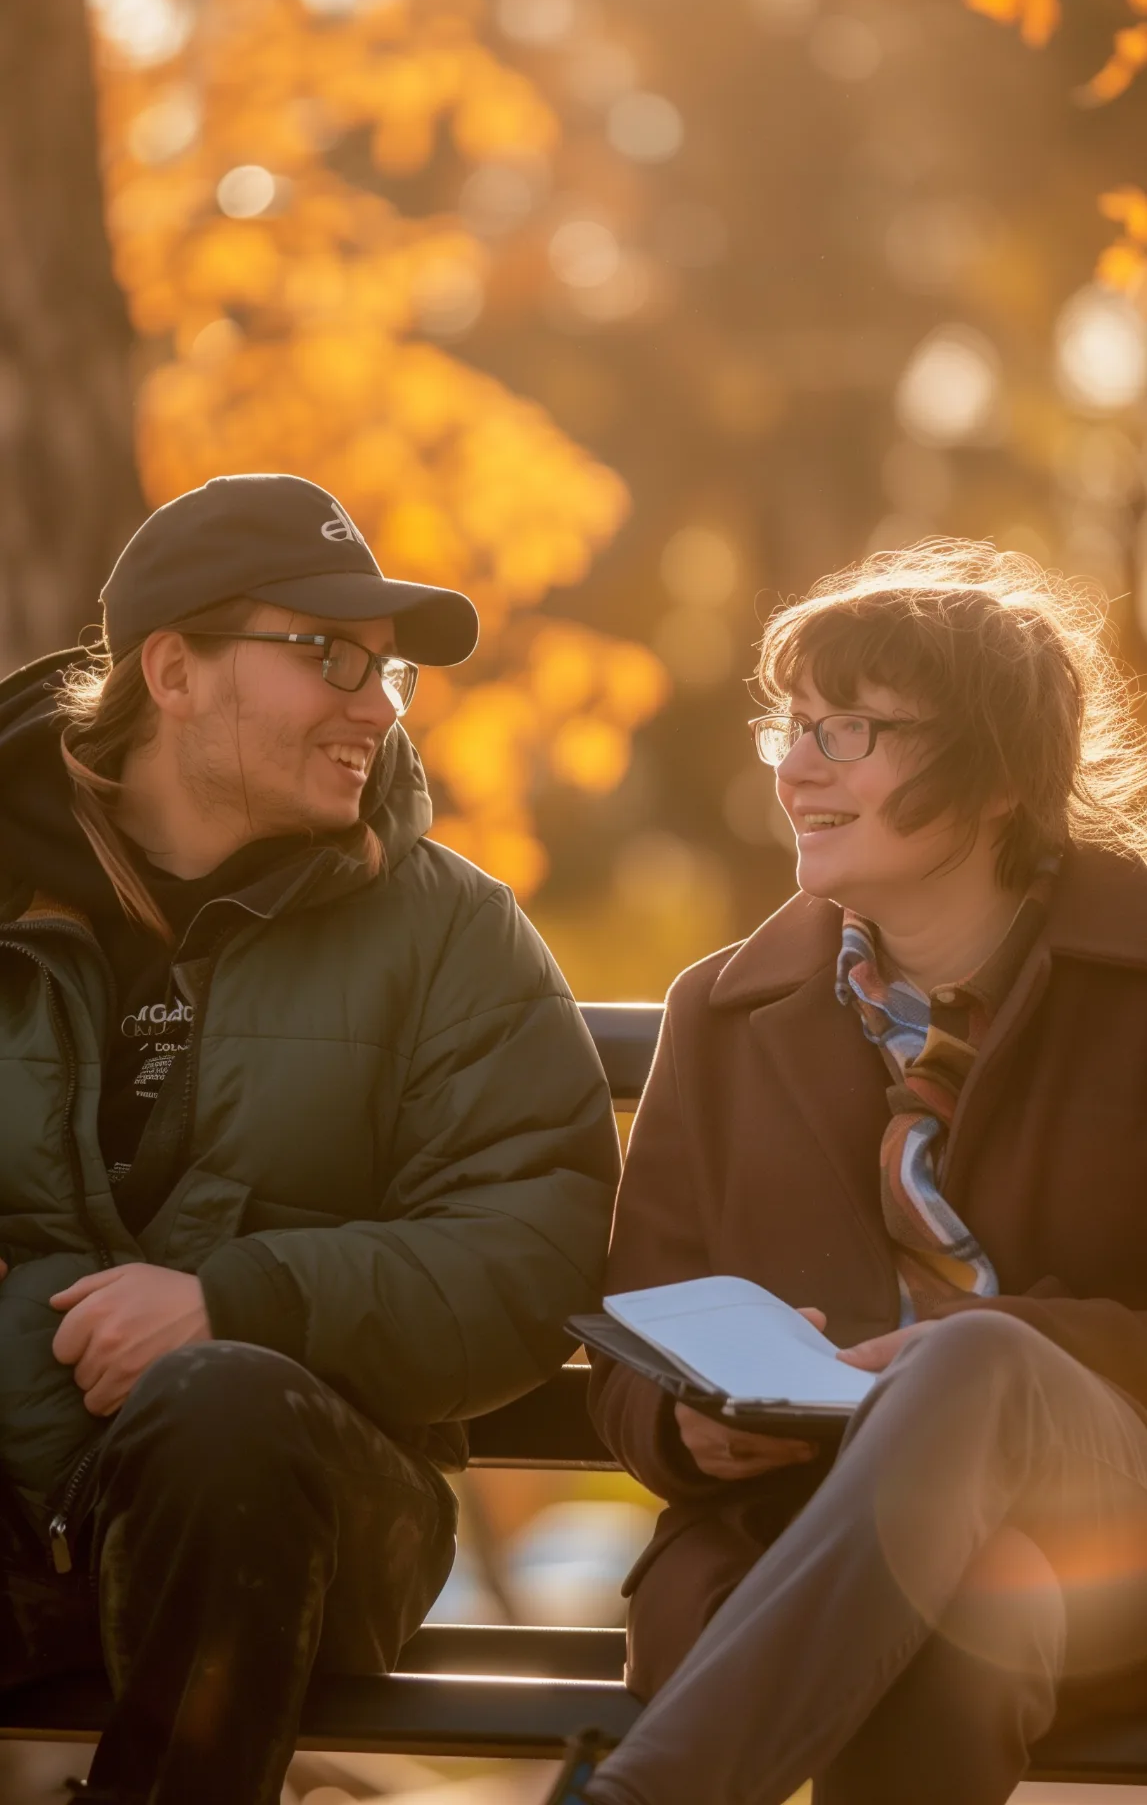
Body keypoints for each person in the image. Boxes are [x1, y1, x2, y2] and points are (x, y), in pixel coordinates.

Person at [0, 471, 620, 1805]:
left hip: (301, 1515)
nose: (373, 705)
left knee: (223, 1402)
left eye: (386, 671)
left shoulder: (450, 930)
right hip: (18, 1490)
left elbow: (531, 1249)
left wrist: (237, 1298)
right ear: (170, 670)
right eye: (326, 654)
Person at [545, 539, 1147, 1805]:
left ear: (993, 778)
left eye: (850, 730)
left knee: (973, 1365)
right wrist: (686, 1425)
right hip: (802, 1545)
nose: (794, 765)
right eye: (792, 723)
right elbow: (632, 1341)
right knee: (962, 1626)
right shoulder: (723, 1006)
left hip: (1110, 1519)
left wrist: (993, 1345)